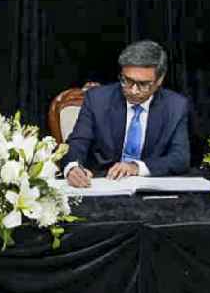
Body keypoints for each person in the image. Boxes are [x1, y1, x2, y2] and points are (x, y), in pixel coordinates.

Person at [62, 40, 190, 188]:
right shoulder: (97, 99)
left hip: (149, 188)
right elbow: (78, 142)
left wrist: (136, 167)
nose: (133, 90)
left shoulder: (175, 106)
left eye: (143, 84)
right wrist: (72, 167)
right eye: (127, 81)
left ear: (159, 80)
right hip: (101, 185)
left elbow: (180, 158)